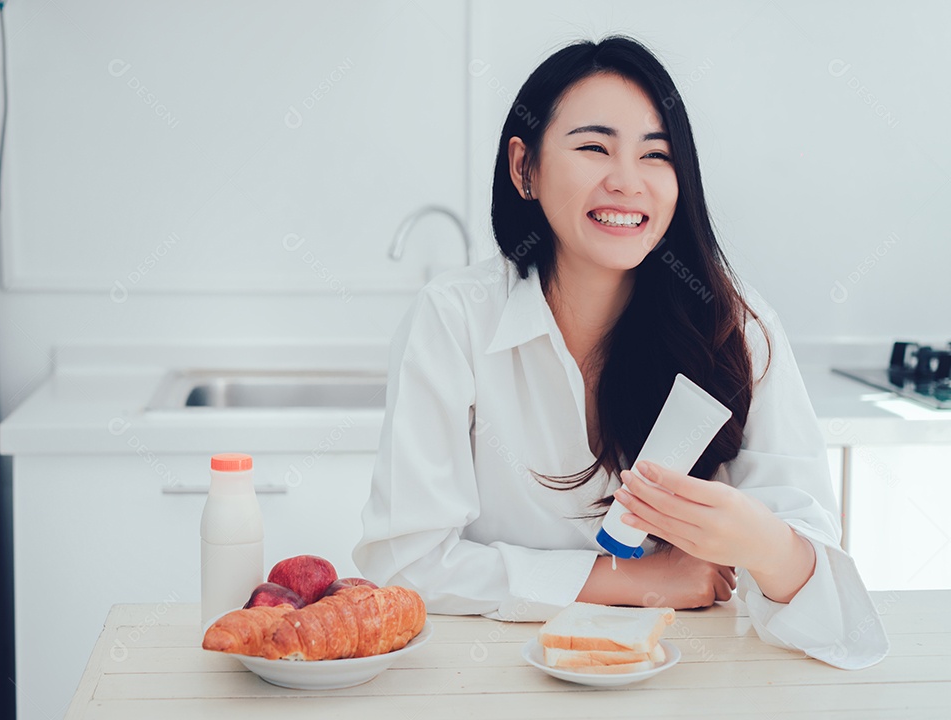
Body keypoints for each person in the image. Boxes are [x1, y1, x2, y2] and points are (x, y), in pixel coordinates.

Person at [352, 35, 888, 670]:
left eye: (656, 156)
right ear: (524, 167)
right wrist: (636, 581)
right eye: (593, 147)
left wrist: (762, 542)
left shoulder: (736, 330)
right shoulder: (455, 318)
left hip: (689, 682)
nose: (627, 181)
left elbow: (838, 624)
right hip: (487, 681)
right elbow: (405, 565)